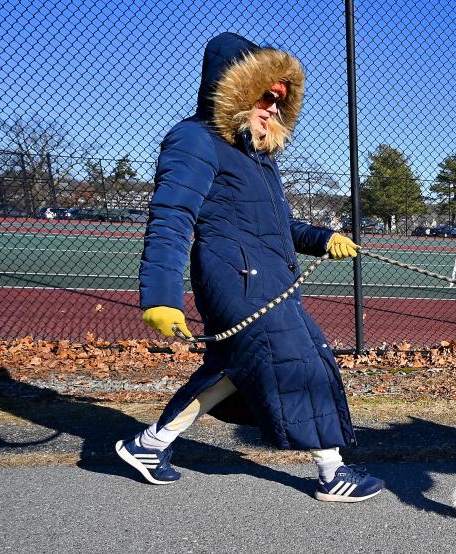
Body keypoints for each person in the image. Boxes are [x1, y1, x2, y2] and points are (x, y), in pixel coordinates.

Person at [115, 32, 384, 503]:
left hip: (270, 281)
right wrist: (159, 295)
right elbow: (173, 216)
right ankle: (331, 471)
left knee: (233, 369)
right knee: (299, 359)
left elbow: (276, 225)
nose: (274, 108)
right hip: (237, 283)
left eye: (281, 101)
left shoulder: (255, 156)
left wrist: (323, 239)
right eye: (266, 96)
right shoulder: (193, 140)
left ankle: (149, 445)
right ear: (235, 88)